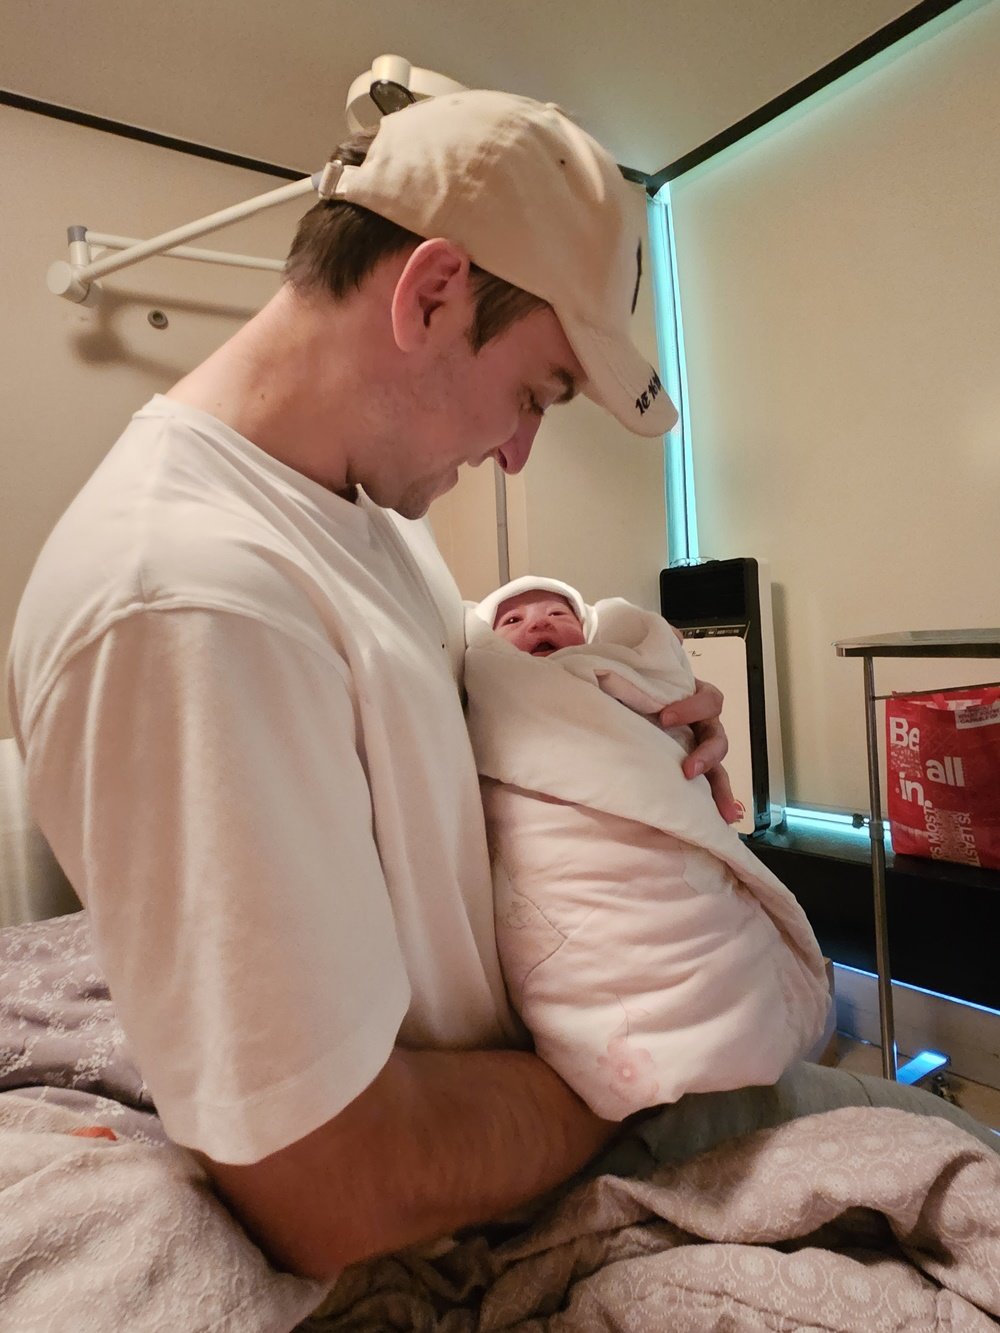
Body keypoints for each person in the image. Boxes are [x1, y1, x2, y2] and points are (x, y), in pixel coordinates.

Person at [6, 89, 993, 1297]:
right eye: (538, 393)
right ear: (431, 293)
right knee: (960, 1162)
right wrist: (632, 1074)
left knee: (939, 1134)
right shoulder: (181, 603)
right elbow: (340, 1186)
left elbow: (420, 718)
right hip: (499, 1159)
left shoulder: (362, 514)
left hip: (548, 1085)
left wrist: (617, 721)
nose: (520, 451)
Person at [466, 576, 832, 1120]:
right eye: (512, 621)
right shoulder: (492, 680)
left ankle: (735, 1019)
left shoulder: (605, 672)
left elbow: (661, 686)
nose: (538, 623)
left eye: (557, 615)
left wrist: (665, 687)